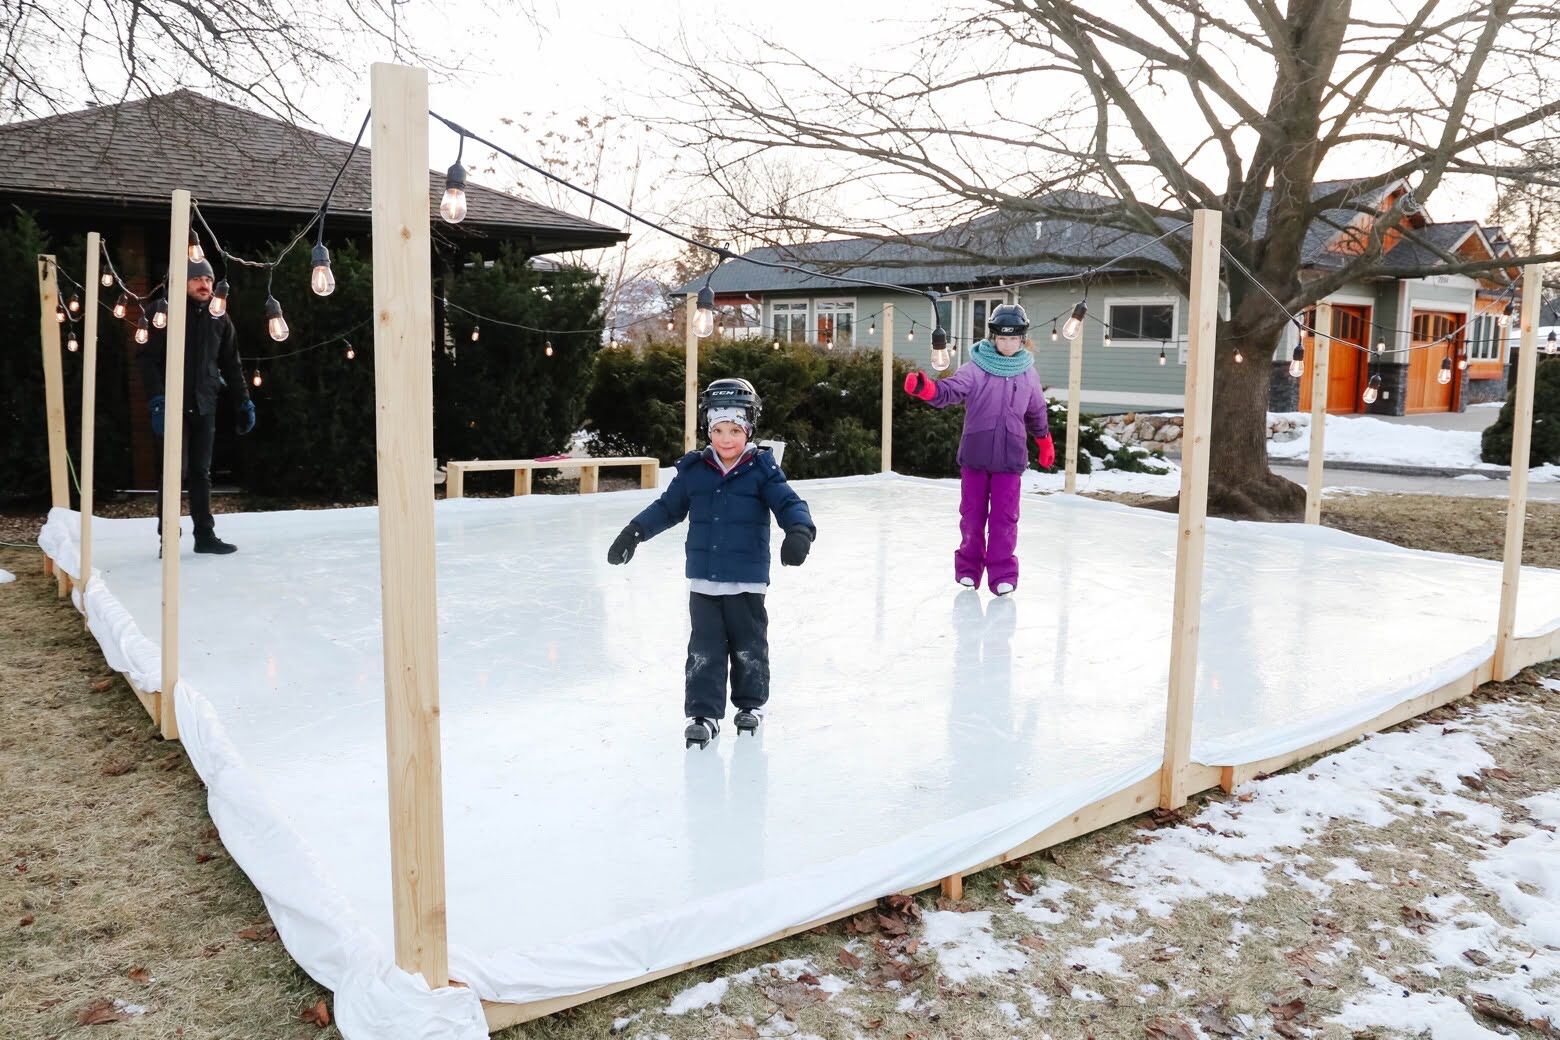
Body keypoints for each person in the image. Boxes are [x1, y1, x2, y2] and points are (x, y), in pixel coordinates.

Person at [607, 378, 816, 749]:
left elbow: (789, 504)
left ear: (748, 430)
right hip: (704, 581)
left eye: (735, 430)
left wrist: (799, 532)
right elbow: (667, 508)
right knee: (704, 650)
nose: (726, 439)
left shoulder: (762, 470)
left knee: (749, 646)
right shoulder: (694, 471)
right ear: (708, 430)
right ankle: (703, 715)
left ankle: (751, 706)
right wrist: (634, 533)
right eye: (718, 430)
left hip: (747, 582)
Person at [903, 303, 1053, 595]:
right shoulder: (975, 368)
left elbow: (1036, 411)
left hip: (1010, 459)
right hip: (975, 456)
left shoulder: (1028, 374)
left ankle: (1003, 575)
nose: (1007, 344)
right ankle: (969, 568)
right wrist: (928, 389)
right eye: (1002, 338)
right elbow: (952, 390)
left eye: (1013, 338)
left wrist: (1043, 440)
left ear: (1022, 339)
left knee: (1004, 520)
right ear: (993, 337)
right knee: (972, 517)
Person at [137, 258, 256, 555]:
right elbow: (146, 359)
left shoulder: (219, 317)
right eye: (196, 279)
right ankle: (168, 539)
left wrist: (243, 401)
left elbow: (231, 363)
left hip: (205, 403)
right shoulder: (161, 312)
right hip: (171, 405)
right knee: (174, 471)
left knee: (201, 472)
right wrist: (157, 400)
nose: (204, 284)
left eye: (207, 278)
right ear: (183, 282)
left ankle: (205, 535)